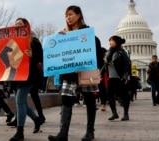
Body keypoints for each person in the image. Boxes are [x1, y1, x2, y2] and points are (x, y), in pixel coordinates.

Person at [48, 5, 103, 141]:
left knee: (89, 100)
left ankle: (90, 132)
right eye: (66, 16)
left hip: (85, 73)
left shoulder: (87, 34)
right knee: (66, 101)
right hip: (68, 73)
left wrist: (84, 64)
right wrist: (58, 41)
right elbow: (58, 54)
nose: (68, 18)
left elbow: (96, 53)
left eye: (71, 14)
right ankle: (63, 133)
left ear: (79, 15)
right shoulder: (63, 35)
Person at [9, 18, 43, 141]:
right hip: (15, 76)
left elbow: (42, 57)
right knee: (22, 102)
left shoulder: (34, 41)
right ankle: (37, 120)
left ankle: (20, 132)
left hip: (28, 76)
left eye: (20, 24)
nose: (17, 26)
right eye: (16, 24)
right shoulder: (12, 42)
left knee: (19, 102)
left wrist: (32, 55)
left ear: (26, 26)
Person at [105, 35, 131, 121]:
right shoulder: (109, 52)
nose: (110, 42)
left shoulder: (122, 52)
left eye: (111, 41)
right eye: (109, 41)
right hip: (111, 77)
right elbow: (104, 65)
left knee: (124, 96)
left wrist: (125, 76)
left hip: (119, 78)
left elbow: (127, 64)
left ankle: (126, 114)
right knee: (109, 94)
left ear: (117, 42)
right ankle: (114, 113)